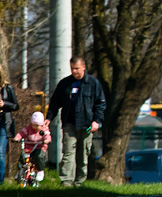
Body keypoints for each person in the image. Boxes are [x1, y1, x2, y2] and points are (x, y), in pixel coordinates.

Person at [45, 56, 106, 186]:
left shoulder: (93, 83)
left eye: (77, 68)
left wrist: (96, 121)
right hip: (69, 123)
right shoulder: (65, 84)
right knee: (68, 152)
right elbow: (55, 102)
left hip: (87, 124)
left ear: (83, 67)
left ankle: (79, 182)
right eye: (72, 68)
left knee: (83, 154)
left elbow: (100, 104)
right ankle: (66, 181)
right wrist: (49, 118)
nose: (74, 71)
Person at [14, 111, 52, 180]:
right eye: (33, 125)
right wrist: (17, 138)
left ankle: (40, 171)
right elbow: (21, 133)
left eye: (37, 125)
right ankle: (19, 171)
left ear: (41, 124)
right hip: (28, 147)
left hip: (38, 147)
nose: (34, 127)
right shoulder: (28, 129)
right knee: (22, 157)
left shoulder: (43, 130)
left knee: (38, 156)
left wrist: (46, 140)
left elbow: (47, 136)